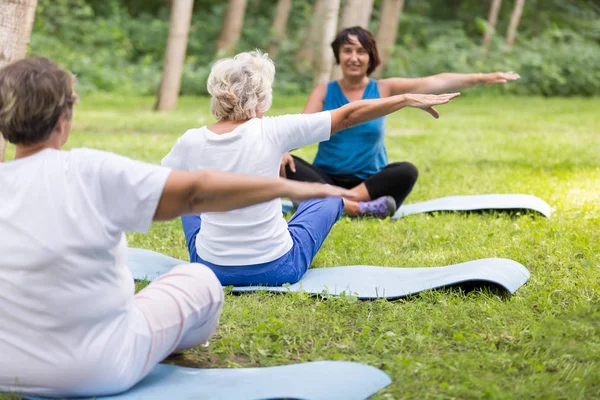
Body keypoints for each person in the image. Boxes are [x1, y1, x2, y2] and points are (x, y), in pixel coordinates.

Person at [0, 57, 354, 398]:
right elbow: (196, 192)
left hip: (7, 368)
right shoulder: (90, 169)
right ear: (65, 118)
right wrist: (289, 188)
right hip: (100, 368)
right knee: (198, 280)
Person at [161, 50, 459, 287]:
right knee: (329, 196)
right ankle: (351, 206)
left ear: (215, 94)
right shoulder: (273, 130)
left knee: (186, 193)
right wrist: (405, 99)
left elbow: (159, 186)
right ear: (262, 99)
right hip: (279, 267)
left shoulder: (191, 140)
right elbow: (347, 116)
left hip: (209, 270)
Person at [282, 26, 520, 218]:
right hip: (325, 177)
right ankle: (354, 208)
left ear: (370, 57)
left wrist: (482, 77)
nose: (353, 58)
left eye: (361, 51)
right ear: (338, 55)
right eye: (347, 51)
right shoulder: (324, 91)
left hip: (369, 183)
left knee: (406, 171)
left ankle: (334, 203)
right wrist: (283, 151)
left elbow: (436, 81)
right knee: (285, 163)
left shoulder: (384, 88)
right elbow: (301, 129)